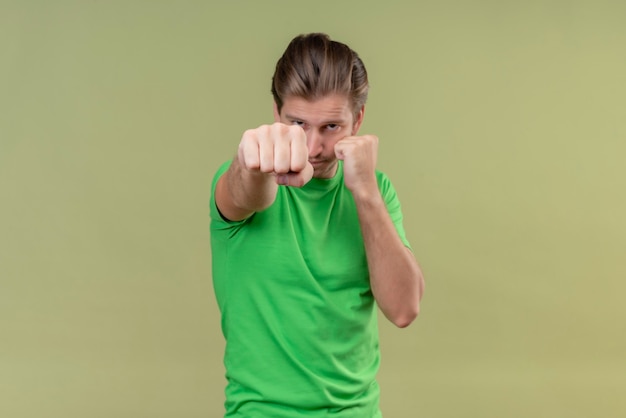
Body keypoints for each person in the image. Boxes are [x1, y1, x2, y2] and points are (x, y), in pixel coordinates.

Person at [210, 32, 425, 417]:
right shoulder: (246, 177)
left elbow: (404, 308)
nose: (312, 148)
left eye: (331, 127)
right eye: (298, 123)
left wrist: (365, 192)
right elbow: (247, 191)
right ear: (276, 114)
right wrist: (250, 158)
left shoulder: (376, 191)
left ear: (357, 120)